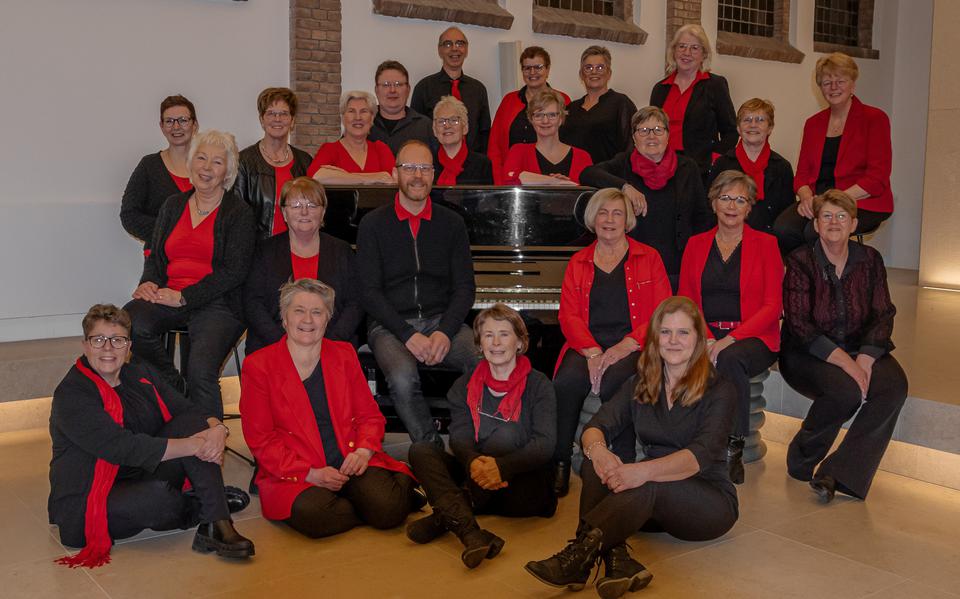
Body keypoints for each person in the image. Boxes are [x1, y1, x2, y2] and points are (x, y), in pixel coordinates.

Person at [525, 297, 738, 598]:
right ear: (654, 338)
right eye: (665, 332)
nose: (673, 341)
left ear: (699, 340)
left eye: (683, 333)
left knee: (644, 482)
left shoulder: (721, 389)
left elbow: (697, 458)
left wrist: (639, 472)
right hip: (649, 502)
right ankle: (618, 562)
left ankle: (577, 556)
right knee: (593, 465)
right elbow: (595, 427)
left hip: (706, 502)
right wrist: (599, 453)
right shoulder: (641, 383)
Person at [49, 304, 254, 568]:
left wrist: (217, 429)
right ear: (85, 345)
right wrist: (194, 445)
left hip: (141, 470)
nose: (108, 348)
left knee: (194, 422)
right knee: (158, 500)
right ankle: (204, 502)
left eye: (118, 340)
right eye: (99, 339)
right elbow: (123, 447)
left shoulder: (139, 373)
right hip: (91, 493)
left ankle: (217, 522)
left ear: (129, 346)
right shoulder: (72, 394)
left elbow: (188, 410)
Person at [240, 280, 420, 538]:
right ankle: (373, 502)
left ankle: (379, 499)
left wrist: (363, 452)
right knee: (314, 515)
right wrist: (310, 473)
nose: (308, 320)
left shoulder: (344, 354)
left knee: (389, 511)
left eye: (317, 312)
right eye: (299, 310)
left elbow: (370, 416)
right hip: (297, 470)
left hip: (348, 460)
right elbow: (261, 439)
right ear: (284, 317)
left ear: (327, 319)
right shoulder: (258, 366)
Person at [406, 305, 557, 568]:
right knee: (421, 450)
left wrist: (501, 467)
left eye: (504, 334)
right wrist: (476, 463)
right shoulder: (463, 386)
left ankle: (448, 514)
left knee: (506, 435)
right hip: (476, 474)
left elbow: (544, 445)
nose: (496, 343)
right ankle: (471, 533)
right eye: (488, 335)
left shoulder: (539, 384)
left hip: (521, 483)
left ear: (520, 342)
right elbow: (461, 439)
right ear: (479, 343)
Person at [781, 190, 907, 502]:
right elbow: (800, 325)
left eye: (841, 217)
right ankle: (803, 457)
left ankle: (840, 473)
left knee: (893, 386)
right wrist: (848, 365)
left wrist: (864, 359)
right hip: (807, 353)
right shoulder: (800, 261)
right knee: (845, 390)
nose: (834, 222)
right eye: (827, 216)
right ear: (816, 223)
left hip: (858, 347)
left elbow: (883, 314)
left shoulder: (870, 260)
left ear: (853, 224)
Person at [124, 130, 256, 420]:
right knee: (129, 325)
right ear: (191, 162)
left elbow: (234, 272)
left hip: (219, 303)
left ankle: (207, 451)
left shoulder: (239, 213)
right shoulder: (172, 206)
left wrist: (185, 297)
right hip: (169, 293)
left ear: (228, 172)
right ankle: (176, 391)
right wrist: (148, 282)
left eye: (217, 162)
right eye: (201, 158)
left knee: (200, 369)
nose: (206, 168)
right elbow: (157, 255)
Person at [357, 140, 478, 446]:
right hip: (390, 326)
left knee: (486, 361)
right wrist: (408, 334)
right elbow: (369, 292)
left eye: (424, 168)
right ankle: (431, 450)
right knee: (401, 378)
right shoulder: (372, 224)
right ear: (396, 173)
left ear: (433, 174)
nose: (417, 175)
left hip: (441, 321)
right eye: (409, 167)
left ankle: (471, 440)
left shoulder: (452, 223)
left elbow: (465, 287)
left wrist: (445, 333)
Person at [552, 188, 672, 497]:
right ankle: (560, 462)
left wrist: (627, 344)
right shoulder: (578, 261)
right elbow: (568, 315)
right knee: (566, 382)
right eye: (603, 213)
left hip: (633, 345)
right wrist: (591, 351)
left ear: (627, 220)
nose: (609, 220)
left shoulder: (650, 257)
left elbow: (662, 311)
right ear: (593, 219)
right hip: (586, 344)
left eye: (617, 213)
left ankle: (623, 463)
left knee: (618, 382)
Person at [678, 170, 783, 484]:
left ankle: (732, 446)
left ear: (750, 207)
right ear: (713, 203)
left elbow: (772, 307)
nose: (732, 205)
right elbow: (686, 298)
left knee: (730, 358)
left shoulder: (766, 244)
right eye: (725, 197)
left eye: (741, 199)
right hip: (705, 332)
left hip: (754, 336)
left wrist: (729, 339)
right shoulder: (695, 245)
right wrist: (708, 337)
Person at [580, 106, 711, 289]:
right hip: (634, 263)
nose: (652, 136)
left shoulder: (688, 167)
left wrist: (698, 261)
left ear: (667, 135)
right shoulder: (623, 163)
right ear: (634, 138)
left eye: (658, 130)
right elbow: (588, 173)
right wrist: (625, 186)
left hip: (679, 265)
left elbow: (702, 217)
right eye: (643, 130)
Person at [775, 53, 893, 254]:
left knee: (814, 233)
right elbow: (802, 174)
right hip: (818, 199)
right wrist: (805, 198)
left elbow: (877, 177)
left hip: (861, 200)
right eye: (827, 82)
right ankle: (804, 281)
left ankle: (829, 283)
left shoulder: (874, 118)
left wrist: (835, 202)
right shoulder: (813, 124)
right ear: (820, 88)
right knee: (783, 230)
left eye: (840, 81)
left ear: (852, 85)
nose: (833, 87)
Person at [243, 177, 362, 355]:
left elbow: (355, 302)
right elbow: (253, 303)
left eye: (313, 205)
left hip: (331, 344)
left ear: (323, 212)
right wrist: (284, 344)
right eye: (296, 205)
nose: (304, 212)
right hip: (273, 344)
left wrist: (329, 342)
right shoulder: (264, 251)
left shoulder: (342, 251)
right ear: (284, 213)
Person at [650, 24, 737, 178]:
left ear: (704, 54)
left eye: (694, 48)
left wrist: (714, 161)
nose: (687, 53)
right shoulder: (660, 89)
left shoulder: (715, 85)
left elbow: (730, 132)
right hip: (662, 166)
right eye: (682, 46)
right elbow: (651, 128)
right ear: (673, 51)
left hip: (700, 169)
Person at [121, 95, 198, 255]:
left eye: (183, 120)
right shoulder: (149, 166)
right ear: (161, 126)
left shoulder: (209, 166)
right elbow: (129, 215)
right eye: (169, 121)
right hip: (159, 260)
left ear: (194, 125)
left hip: (202, 259)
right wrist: (169, 232)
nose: (176, 126)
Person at [707, 98, 795, 237]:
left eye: (760, 120)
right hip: (728, 240)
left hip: (769, 242)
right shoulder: (721, 164)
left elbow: (785, 216)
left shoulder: (782, 167)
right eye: (746, 120)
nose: (753, 125)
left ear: (770, 128)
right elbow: (711, 210)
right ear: (738, 128)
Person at [234, 87, 314, 240]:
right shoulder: (244, 161)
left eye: (284, 114)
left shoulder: (305, 161)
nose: (277, 119)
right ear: (261, 120)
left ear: (292, 120)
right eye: (271, 113)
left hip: (296, 247)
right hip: (258, 251)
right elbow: (237, 217)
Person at [488, 46, 571, 183]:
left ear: (548, 69)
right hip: (512, 178)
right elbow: (494, 146)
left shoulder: (562, 100)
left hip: (551, 178)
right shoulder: (508, 101)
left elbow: (568, 141)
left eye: (538, 67)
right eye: (527, 68)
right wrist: (499, 181)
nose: (532, 72)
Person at [411, 26, 492, 154]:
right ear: (440, 50)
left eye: (460, 43)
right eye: (448, 44)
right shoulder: (424, 88)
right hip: (435, 165)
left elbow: (485, 133)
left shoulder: (478, 89)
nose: (455, 48)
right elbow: (416, 132)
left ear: (466, 49)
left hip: (472, 165)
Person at [560, 46, 637, 164]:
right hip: (574, 178)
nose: (594, 72)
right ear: (581, 74)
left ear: (609, 73)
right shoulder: (571, 108)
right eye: (588, 67)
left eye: (600, 67)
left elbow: (631, 147)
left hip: (607, 177)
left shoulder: (621, 103)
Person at [502, 89, 593, 186]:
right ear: (531, 119)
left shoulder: (582, 157)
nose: (545, 121)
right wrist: (554, 181)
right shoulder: (518, 151)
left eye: (552, 115)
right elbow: (509, 180)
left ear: (561, 118)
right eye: (538, 115)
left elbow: (590, 192)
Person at [308, 90, 396, 185]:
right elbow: (315, 176)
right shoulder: (330, 150)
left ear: (372, 118)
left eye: (363, 111)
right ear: (343, 117)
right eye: (351, 111)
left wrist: (341, 176)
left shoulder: (380, 149)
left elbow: (391, 180)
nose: (357, 117)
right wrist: (370, 178)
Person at [369, 60, 434, 155]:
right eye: (386, 85)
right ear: (376, 90)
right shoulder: (363, 123)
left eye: (398, 84)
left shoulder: (426, 127)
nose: (392, 90)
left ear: (408, 89)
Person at [431, 95, 494, 185]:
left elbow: (487, 199)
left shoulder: (482, 165)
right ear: (434, 129)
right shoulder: (427, 164)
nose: (447, 126)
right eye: (441, 121)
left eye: (454, 120)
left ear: (465, 127)